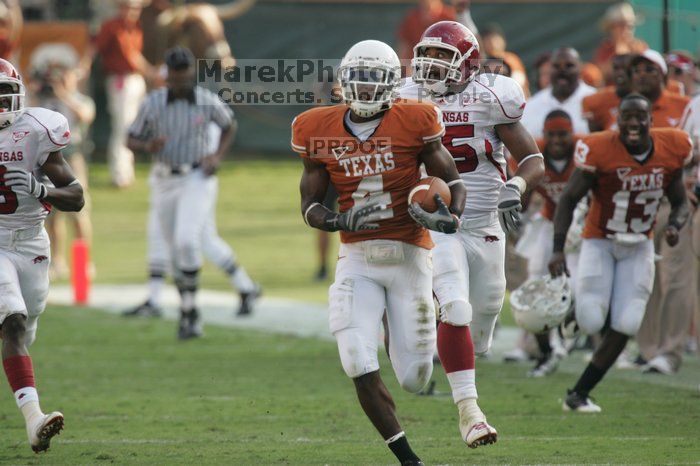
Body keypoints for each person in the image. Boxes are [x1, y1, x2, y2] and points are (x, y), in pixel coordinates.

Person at [294, 39, 466, 465]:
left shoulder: (417, 119)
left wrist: (452, 217)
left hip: (410, 255)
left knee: (415, 376)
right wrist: (338, 221)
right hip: (357, 258)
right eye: (359, 78)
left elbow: (453, 182)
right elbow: (310, 206)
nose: (366, 88)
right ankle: (408, 458)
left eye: (375, 79)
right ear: (344, 82)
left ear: (392, 84)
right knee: (355, 357)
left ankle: (397, 318)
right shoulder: (316, 126)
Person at [400, 21, 544, 446]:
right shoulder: (405, 98)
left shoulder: (491, 96)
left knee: (480, 330)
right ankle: (470, 412)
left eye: (443, 56)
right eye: (427, 54)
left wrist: (516, 187)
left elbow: (532, 158)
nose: (431, 64)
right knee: (457, 307)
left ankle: (432, 325)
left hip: (486, 227)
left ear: (469, 62)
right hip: (439, 223)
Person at [549, 93, 692, 412]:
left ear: (650, 121)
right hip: (599, 240)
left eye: (640, 116)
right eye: (626, 116)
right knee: (591, 319)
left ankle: (579, 393)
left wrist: (674, 226)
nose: (633, 123)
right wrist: (558, 249)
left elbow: (680, 201)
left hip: (639, 243)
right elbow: (569, 199)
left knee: (627, 323)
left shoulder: (672, 148)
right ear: (618, 120)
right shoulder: (599, 148)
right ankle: (574, 309)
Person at [0, 58, 85, 452]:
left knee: (24, 327)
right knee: (12, 322)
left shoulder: (36, 130)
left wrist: (41, 189)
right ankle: (34, 420)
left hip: (33, 242)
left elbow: (77, 197)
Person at [126, 46, 237, 339]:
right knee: (175, 248)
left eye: (185, 77)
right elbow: (130, 138)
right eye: (176, 78)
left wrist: (216, 157)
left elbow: (229, 125)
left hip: (196, 176)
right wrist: (147, 146)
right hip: (164, 179)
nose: (181, 84)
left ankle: (190, 310)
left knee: (188, 240)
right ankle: (189, 310)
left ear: (192, 74)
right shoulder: (153, 103)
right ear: (168, 77)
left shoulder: (205, 100)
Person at [510, 110, 579, 377]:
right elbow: (524, 199)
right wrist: (515, 218)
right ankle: (545, 351)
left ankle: (568, 337)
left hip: (586, 227)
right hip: (550, 225)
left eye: (563, 133)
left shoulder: (585, 151)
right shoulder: (534, 154)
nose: (558, 139)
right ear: (545, 135)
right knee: (535, 287)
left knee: (578, 290)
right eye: (552, 134)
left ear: (572, 133)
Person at [28, 45, 96, 280]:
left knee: (79, 212)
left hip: (72, 157)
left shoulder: (79, 99)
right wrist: (36, 91)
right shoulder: (41, 100)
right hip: (46, 159)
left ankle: (83, 261)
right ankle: (57, 261)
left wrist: (62, 93)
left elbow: (85, 116)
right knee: (51, 214)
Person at [94, 0, 158, 188]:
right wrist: (152, 73)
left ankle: (128, 171)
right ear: (120, 7)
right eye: (129, 7)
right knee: (123, 128)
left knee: (137, 126)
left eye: (136, 8)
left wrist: (151, 73)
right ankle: (120, 174)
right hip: (120, 79)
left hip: (135, 80)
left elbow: (136, 55)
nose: (133, 11)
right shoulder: (111, 27)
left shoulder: (135, 28)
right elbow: (126, 55)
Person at [521, 47, 596, 138]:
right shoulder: (530, 106)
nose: (562, 71)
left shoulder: (596, 99)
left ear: (580, 68)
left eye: (569, 66)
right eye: (556, 66)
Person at [594, 2, 647, 85]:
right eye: (621, 25)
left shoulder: (640, 46)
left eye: (630, 26)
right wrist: (619, 50)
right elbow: (600, 74)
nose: (626, 30)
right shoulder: (605, 48)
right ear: (611, 28)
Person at [582, 54, 633, 132]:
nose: (620, 73)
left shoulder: (645, 98)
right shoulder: (596, 99)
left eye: (624, 68)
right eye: (616, 68)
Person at [480, 23, 530, 96]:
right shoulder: (484, 63)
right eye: (487, 40)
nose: (491, 43)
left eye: (494, 38)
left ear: (502, 40)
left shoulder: (510, 58)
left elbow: (519, 80)